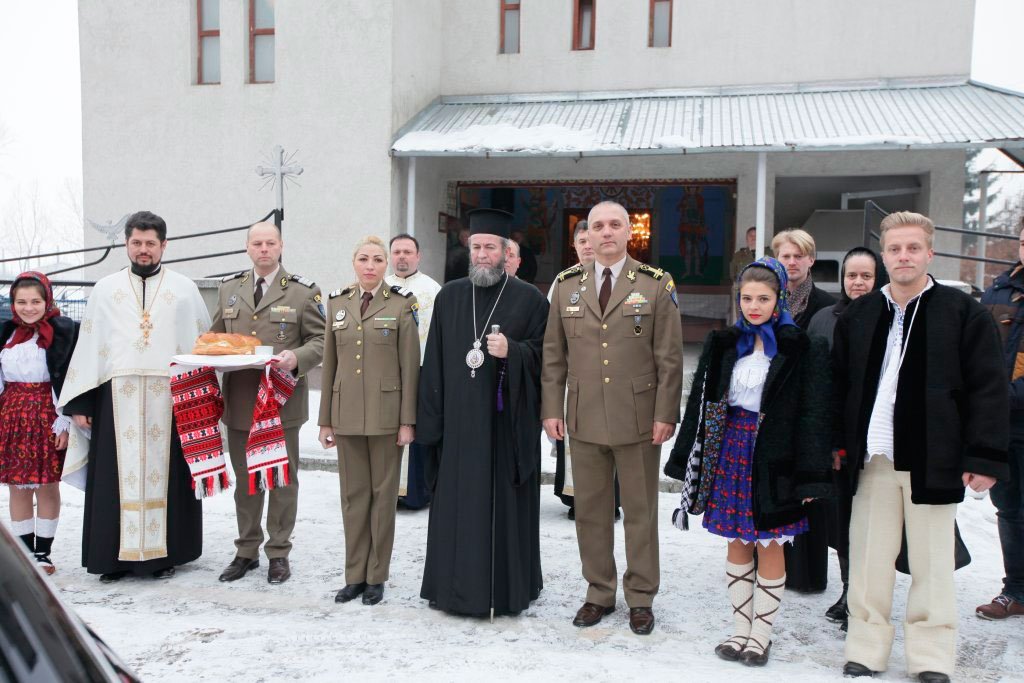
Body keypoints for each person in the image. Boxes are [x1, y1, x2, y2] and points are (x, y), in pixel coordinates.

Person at [833, 211, 1008, 682]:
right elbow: (838, 385)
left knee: (933, 563)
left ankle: (931, 656)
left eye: (913, 248)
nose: (903, 256)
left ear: (929, 252)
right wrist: (834, 444)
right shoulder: (861, 314)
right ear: (884, 254)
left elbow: (988, 388)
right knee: (869, 560)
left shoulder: (961, 312)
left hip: (935, 457)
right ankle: (866, 648)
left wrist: (984, 455)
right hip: (872, 459)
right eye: (895, 248)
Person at [665, 257, 832, 665]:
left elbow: (814, 413)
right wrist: (684, 458)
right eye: (746, 298)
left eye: (763, 298)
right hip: (730, 453)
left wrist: (810, 476)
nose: (753, 306)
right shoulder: (723, 344)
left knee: (770, 542)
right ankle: (740, 628)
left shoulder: (802, 346)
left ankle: (762, 634)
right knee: (736, 541)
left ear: (779, 301)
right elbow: (701, 405)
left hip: (775, 456)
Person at [542, 200, 683, 636]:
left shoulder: (656, 285)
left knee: (640, 511)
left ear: (629, 233)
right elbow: (553, 358)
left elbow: (670, 359)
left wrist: (666, 414)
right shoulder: (567, 286)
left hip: (640, 417)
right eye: (598, 226)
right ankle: (598, 592)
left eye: (614, 225)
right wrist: (551, 410)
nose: (606, 232)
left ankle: (640, 596)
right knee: (591, 511)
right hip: (582, 416)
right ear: (589, 234)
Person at [59, 211, 211, 582]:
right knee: (114, 478)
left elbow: (201, 344)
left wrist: (201, 401)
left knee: (170, 477)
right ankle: (112, 559)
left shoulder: (185, 289)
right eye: (137, 243)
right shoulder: (106, 289)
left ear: (164, 245)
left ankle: (164, 555)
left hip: (171, 398)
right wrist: (81, 404)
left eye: (150, 244)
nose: (143, 250)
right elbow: (90, 346)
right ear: (127, 244)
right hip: (116, 400)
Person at [417, 208, 549, 618]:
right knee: (456, 509)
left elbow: (548, 358)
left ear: (508, 252)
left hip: (504, 428)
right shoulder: (450, 296)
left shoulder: (529, 299)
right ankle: (451, 590)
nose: (482, 254)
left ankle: (506, 591)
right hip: (457, 428)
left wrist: (516, 353)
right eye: (476, 247)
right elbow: (434, 361)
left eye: (491, 247)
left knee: (501, 509)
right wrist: (431, 424)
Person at [210, 221, 325, 585]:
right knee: (246, 480)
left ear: (280, 247)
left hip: (282, 401)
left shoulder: (304, 292)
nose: (264, 249)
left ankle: (278, 552)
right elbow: (214, 338)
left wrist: (297, 358)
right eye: (257, 243)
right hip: (241, 401)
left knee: (280, 479)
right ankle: (246, 550)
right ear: (247, 248)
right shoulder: (229, 289)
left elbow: (321, 342)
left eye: (270, 243)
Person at [319, 236, 419, 606]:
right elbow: (330, 364)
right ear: (354, 263)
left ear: (386, 265)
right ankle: (354, 575)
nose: (370, 265)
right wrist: (325, 420)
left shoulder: (401, 304)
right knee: (353, 498)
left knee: (382, 498)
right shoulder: (337, 304)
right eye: (363, 259)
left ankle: (376, 576)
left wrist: (408, 421)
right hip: (345, 416)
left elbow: (410, 367)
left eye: (378, 259)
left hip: (386, 417)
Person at [806, 247, 886, 629]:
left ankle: (867, 598)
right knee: (842, 519)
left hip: (877, 440)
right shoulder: (824, 318)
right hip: (835, 440)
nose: (857, 283)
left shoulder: (891, 318)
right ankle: (848, 589)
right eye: (852, 276)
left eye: (866, 276)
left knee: (874, 522)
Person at [770, 227, 835, 593]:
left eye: (799, 256)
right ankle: (771, 565)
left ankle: (807, 573)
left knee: (809, 491)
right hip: (772, 410)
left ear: (811, 259)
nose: (792, 262)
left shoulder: (826, 304)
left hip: (809, 408)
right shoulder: (765, 299)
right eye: (785, 256)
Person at [0, 272, 77, 574]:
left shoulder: (63, 332)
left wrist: (65, 421)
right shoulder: (5, 334)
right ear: (13, 303)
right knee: (17, 487)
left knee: (46, 486)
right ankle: (25, 552)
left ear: (47, 300)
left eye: (35, 301)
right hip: (11, 416)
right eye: (21, 302)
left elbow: (70, 378)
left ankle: (43, 553)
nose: (28, 307)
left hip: (48, 415)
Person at [547, 221, 620, 519]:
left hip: (613, 378)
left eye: (590, 240)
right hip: (574, 379)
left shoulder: (621, 278)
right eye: (581, 241)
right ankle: (577, 500)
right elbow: (551, 336)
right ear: (575, 246)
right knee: (577, 442)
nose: (587, 246)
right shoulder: (563, 283)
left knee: (611, 440)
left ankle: (610, 500)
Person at [976, 217, 1024, 621]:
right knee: (1009, 507)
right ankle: (1016, 590)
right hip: (1002, 422)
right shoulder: (1000, 288)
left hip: (1012, 404)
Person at [385, 233, 442, 510]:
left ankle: (415, 493)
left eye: (408, 252)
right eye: (397, 252)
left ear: (418, 256)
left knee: (416, 432)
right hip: (384, 373)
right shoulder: (379, 287)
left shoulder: (433, 290)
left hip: (421, 371)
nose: (402, 257)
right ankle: (386, 492)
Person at [728, 227, 773, 324]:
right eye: (751, 236)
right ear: (746, 239)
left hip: (764, 292)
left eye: (756, 236)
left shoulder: (770, 254)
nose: (753, 238)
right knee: (744, 319)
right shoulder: (738, 255)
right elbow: (733, 274)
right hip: (745, 292)